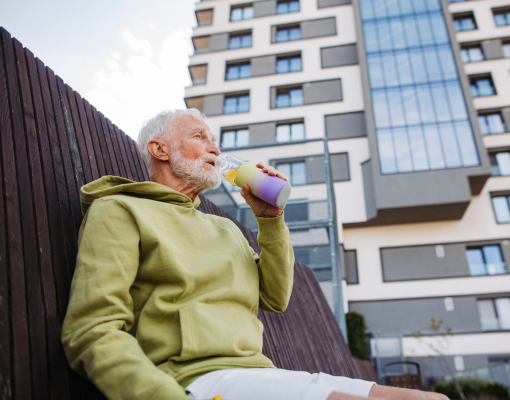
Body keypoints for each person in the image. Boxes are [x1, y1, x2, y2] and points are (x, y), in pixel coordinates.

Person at [62, 109, 448, 400]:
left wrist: (271, 221)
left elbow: (275, 298)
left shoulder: (224, 228)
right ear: (159, 149)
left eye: (215, 140)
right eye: (200, 137)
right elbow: (91, 331)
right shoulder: (121, 210)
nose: (215, 148)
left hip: (264, 375)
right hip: (195, 380)